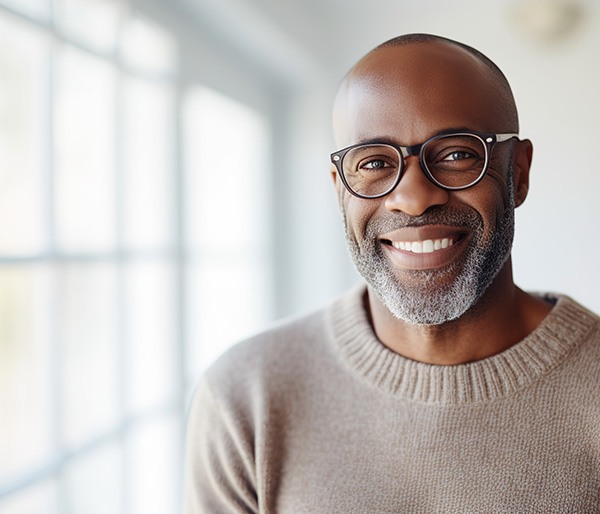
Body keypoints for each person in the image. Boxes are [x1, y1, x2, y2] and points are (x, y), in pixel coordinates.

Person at [184, 34, 600, 513]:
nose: (415, 197)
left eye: (457, 154)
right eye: (375, 163)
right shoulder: (245, 399)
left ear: (519, 172)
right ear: (340, 189)